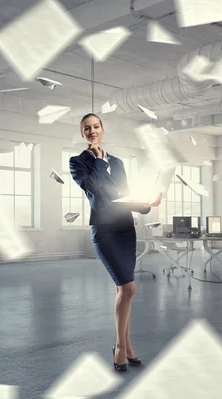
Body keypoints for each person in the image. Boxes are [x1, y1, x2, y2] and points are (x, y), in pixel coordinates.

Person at [69, 113, 162, 372]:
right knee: (128, 288)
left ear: (103, 129)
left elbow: (125, 197)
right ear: (82, 134)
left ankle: (126, 345)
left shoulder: (118, 163)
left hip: (125, 229)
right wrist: (98, 160)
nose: (92, 131)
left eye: (96, 126)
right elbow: (95, 189)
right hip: (105, 231)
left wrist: (146, 205)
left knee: (124, 291)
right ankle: (120, 348)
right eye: (86, 128)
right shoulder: (78, 162)